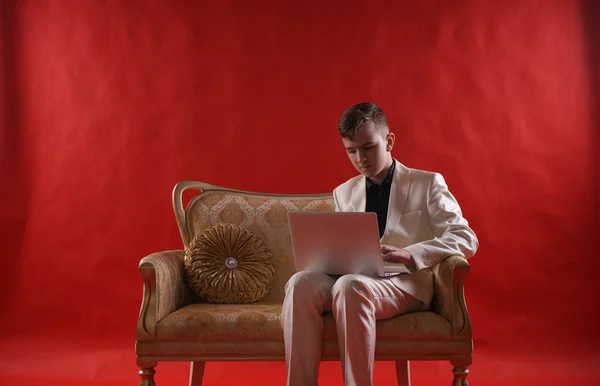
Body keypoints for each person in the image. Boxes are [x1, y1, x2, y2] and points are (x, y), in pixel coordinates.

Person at [281, 102, 479, 386]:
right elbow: (342, 247)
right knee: (300, 282)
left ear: (389, 141)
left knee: (350, 285)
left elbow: (465, 237)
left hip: (405, 283)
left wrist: (411, 253)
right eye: (351, 151)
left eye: (368, 148)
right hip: (354, 278)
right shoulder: (343, 192)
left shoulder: (428, 183)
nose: (360, 158)